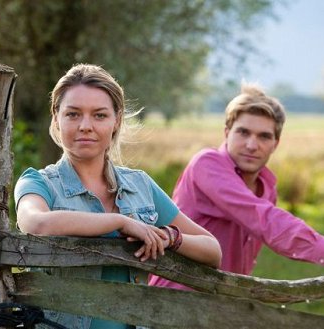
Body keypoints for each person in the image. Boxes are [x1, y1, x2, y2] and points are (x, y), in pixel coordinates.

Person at [14, 63, 221, 329]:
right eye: (73, 114)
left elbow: (213, 250)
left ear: (116, 121)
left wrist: (169, 237)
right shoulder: (38, 182)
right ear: (56, 118)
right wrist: (120, 222)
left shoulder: (141, 185)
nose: (85, 126)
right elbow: (36, 224)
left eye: (99, 115)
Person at [150, 83, 324, 290]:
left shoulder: (267, 186)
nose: (252, 145)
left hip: (220, 305)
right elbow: (261, 217)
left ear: (276, 143)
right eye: (243, 132)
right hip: (175, 299)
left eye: (264, 136)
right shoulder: (207, 165)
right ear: (226, 133)